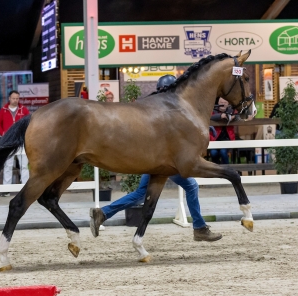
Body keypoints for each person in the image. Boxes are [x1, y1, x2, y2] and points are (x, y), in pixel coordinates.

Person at [89, 75, 222, 242]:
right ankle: (199, 227)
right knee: (191, 187)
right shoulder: (168, 107)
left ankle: (104, 213)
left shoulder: (154, 103)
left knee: (140, 194)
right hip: (167, 161)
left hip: (154, 159)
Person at [0, 90, 30, 196]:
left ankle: (25, 190)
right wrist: (3, 134)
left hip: (22, 141)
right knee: (8, 165)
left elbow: (30, 122)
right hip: (8, 141)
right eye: (14, 98)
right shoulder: (3, 110)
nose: (15, 100)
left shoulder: (24, 110)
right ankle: (6, 190)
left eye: (17, 98)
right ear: (9, 98)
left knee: (24, 165)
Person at [209, 97, 239, 164]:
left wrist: (233, 117)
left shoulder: (231, 110)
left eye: (225, 103)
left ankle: (226, 169)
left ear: (228, 103)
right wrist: (220, 116)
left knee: (223, 152)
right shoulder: (213, 110)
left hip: (227, 138)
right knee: (213, 153)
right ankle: (218, 169)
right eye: (221, 103)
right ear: (218, 103)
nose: (223, 104)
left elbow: (239, 115)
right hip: (215, 138)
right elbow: (209, 116)